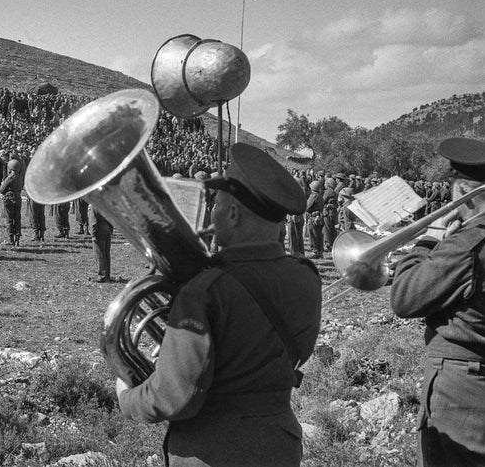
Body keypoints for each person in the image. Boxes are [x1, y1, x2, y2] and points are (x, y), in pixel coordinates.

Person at [116, 143, 322, 467]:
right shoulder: (307, 277)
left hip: (213, 453)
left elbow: (174, 397)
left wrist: (127, 396)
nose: (211, 212)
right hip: (280, 444)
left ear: (233, 213)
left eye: (216, 204)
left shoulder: (206, 291)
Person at [390, 137, 485, 466]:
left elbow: (404, 296)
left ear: (463, 191)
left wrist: (429, 239)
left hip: (462, 395)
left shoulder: (468, 244)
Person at [0, 158, 24, 247]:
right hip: (18, 198)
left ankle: (11, 239)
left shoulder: (9, 177)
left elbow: (2, 190)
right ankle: (17, 238)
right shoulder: (20, 177)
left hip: (9, 199)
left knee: (9, 219)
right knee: (17, 218)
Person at [91, 207, 113, 282]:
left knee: (99, 253)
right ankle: (107, 275)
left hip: (99, 228)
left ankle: (102, 276)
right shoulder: (104, 203)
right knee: (106, 253)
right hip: (107, 227)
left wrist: (93, 234)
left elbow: (94, 220)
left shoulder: (95, 203)